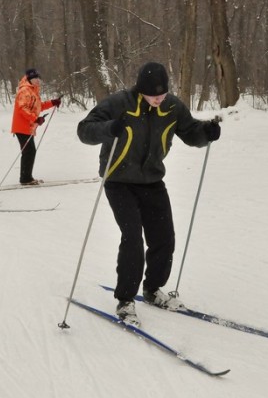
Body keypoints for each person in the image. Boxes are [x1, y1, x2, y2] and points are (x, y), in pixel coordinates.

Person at [77, 61, 221, 325]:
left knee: (164, 237)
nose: (159, 98)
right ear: (141, 90)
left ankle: (153, 290)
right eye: (154, 94)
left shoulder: (172, 106)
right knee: (132, 236)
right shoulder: (119, 103)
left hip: (152, 179)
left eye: (163, 93)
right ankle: (126, 300)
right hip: (119, 180)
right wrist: (108, 128)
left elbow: (191, 133)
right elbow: (84, 130)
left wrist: (206, 132)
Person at [10, 68, 61, 185]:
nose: (37, 80)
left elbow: (38, 107)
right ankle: (25, 178)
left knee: (30, 151)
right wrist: (35, 118)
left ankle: (26, 177)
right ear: (29, 79)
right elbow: (22, 108)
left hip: (29, 127)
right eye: (34, 78)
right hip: (22, 127)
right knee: (29, 151)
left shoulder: (33, 91)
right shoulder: (25, 91)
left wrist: (52, 102)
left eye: (38, 78)